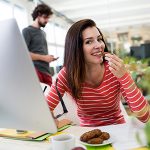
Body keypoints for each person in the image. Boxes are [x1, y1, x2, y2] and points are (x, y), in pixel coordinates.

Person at [46, 19, 150, 127]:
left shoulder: (114, 69)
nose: (99, 45)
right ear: (76, 49)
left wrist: (124, 77)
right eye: (89, 41)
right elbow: (45, 110)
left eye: (99, 39)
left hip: (118, 129)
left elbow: (145, 116)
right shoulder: (67, 74)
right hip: (86, 134)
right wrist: (51, 120)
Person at [22, 3, 58, 87]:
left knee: (50, 97)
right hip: (35, 70)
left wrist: (49, 58)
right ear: (38, 15)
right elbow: (24, 54)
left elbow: (41, 52)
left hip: (46, 70)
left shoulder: (43, 33)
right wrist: (45, 58)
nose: (47, 20)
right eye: (45, 17)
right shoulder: (27, 31)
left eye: (48, 18)